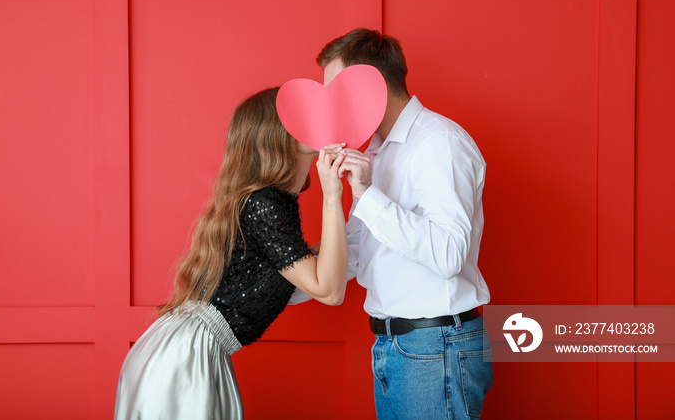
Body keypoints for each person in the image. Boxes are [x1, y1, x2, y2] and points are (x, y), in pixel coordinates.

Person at [114, 87, 349, 420]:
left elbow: (319, 274)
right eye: (298, 116)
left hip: (182, 351)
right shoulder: (264, 205)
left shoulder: (270, 201)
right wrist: (332, 193)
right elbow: (328, 289)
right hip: (183, 359)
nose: (314, 121)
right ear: (276, 133)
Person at [318, 28, 492, 419]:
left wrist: (367, 195)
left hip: (436, 347)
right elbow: (358, 253)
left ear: (372, 85)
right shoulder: (375, 154)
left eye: (337, 93)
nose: (330, 108)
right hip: (395, 348)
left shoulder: (439, 143)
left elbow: (449, 255)